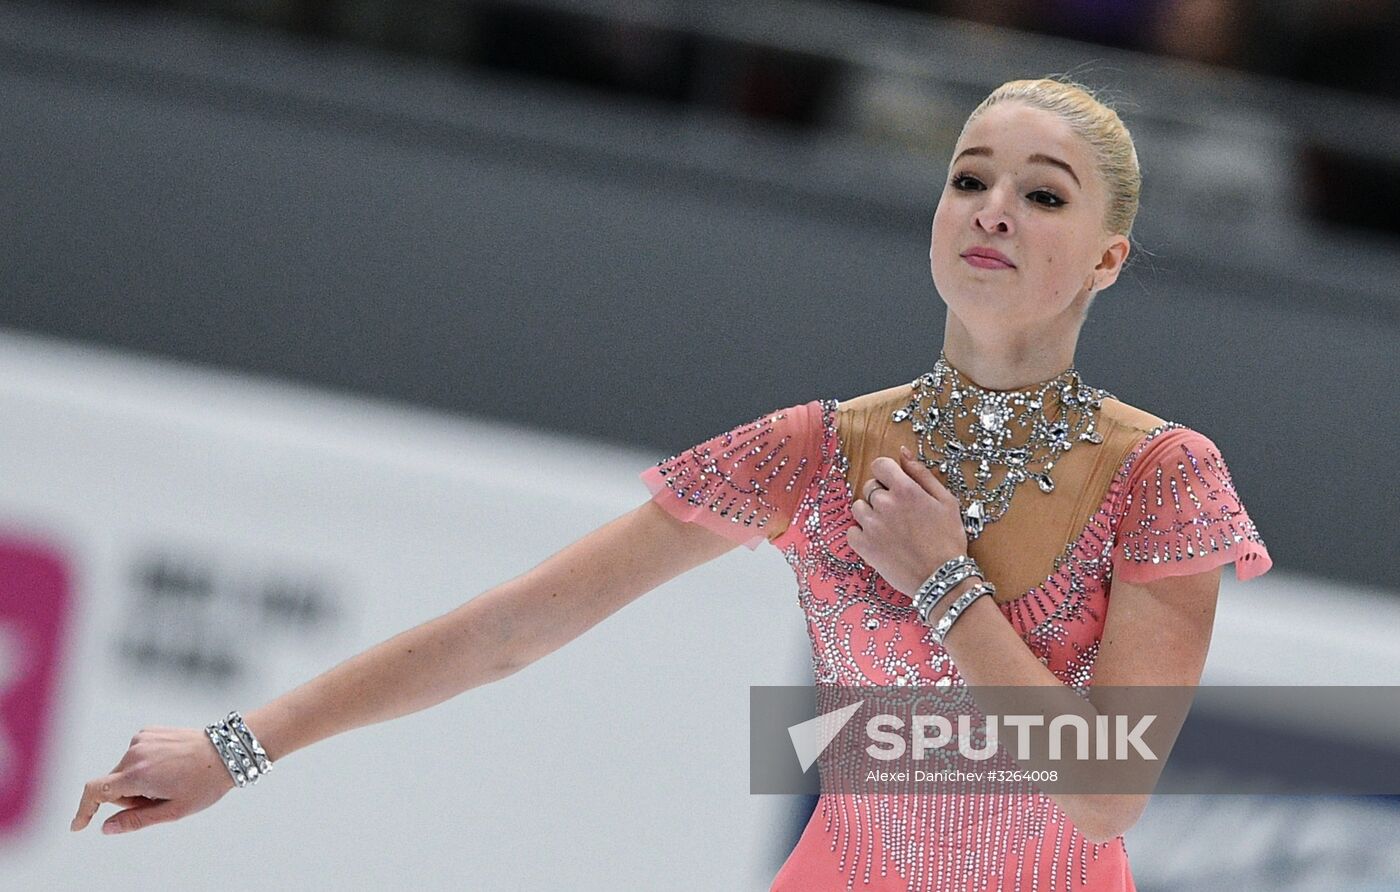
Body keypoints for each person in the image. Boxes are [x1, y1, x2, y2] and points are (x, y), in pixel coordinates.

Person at [71, 76, 1272, 891]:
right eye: (967, 179)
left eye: (1042, 194)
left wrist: (944, 584)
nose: (992, 209)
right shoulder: (809, 452)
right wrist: (238, 744)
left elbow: (1105, 795)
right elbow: (512, 627)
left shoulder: (1160, 476)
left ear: (1107, 259)